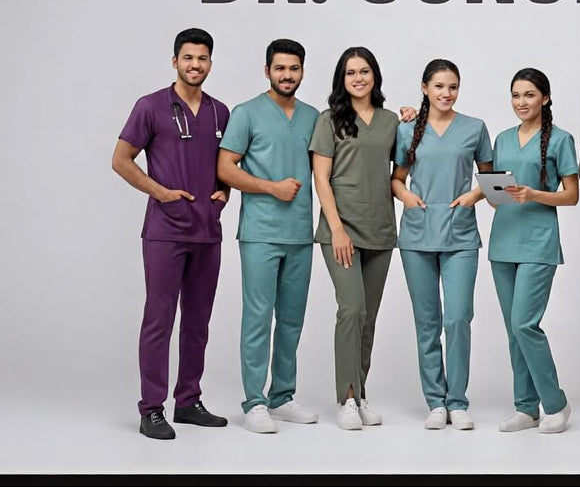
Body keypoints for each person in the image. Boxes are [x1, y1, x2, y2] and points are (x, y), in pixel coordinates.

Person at [111, 27, 231, 440]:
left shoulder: (220, 112)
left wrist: (224, 193)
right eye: (188, 58)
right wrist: (161, 193)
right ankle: (151, 409)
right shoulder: (151, 106)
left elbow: (225, 165)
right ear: (175, 61)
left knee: (198, 322)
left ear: (210, 63)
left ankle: (188, 401)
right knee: (159, 320)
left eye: (202, 59)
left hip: (207, 231)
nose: (195, 65)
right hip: (166, 231)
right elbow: (121, 159)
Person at [216, 39, 321, 434]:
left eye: (294, 68)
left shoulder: (313, 117)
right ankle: (255, 401)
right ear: (267, 71)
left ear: (302, 72)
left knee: (292, 319)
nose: (287, 75)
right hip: (261, 233)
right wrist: (270, 188)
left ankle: (282, 397)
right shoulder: (246, 114)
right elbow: (225, 167)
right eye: (280, 68)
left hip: (300, 234)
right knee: (258, 317)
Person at [391, 59, 493, 430]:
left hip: (461, 234)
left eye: (452, 87)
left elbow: (493, 178)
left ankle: (458, 401)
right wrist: (406, 196)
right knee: (427, 321)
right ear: (424, 88)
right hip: (417, 234)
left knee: (458, 318)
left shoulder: (474, 128)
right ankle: (436, 401)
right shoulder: (407, 130)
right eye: (439, 87)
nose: (446, 93)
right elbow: (396, 178)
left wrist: (473, 196)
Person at [310, 46, 400, 430]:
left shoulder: (391, 120)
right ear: (341, 80)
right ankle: (347, 397)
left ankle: (360, 393)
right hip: (340, 230)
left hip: (380, 228)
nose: (358, 78)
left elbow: (406, 162)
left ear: (375, 76)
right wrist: (337, 229)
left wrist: (416, 115)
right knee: (351, 310)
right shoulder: (329, 119)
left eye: (364, 71)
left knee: (369, 316)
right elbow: (320, 178)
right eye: (350, 73)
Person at [488, 68, 579, 434]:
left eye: (528, 95)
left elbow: (571, 195)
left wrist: (534, 194)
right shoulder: (502, 139)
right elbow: (497, 197)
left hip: (538, 243)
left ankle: (555, 403)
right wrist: (490, 193)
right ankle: (526, 408)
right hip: (502, 242)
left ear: (545, 98)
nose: (521, 102)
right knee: (514, 330)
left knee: (526, 324)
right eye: (515, 95)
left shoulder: (560, 140)